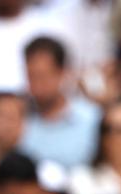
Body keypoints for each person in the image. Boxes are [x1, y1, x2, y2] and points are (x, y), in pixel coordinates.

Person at [18, 36, 100, 169]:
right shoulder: (17, 118)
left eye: (43, 76)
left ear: (63, 72)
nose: (37, 87)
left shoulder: (91, 119)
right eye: (31, 76)